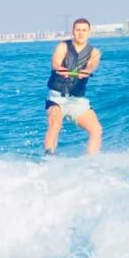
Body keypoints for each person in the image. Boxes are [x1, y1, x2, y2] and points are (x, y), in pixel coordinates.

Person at [44, 18, 102, 156]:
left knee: (96, 130)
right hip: (57, 98)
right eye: (78, 30)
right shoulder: (63, 46)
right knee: (55, 124)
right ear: (73, 32)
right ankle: (49, 157)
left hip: (77, 100)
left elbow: (92, 66)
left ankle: (91, 161)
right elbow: (55, 63)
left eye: (84, 30)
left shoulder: (94, 52)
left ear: (89, 32)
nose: (81, 33)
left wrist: (87, 71)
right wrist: (61, 69)